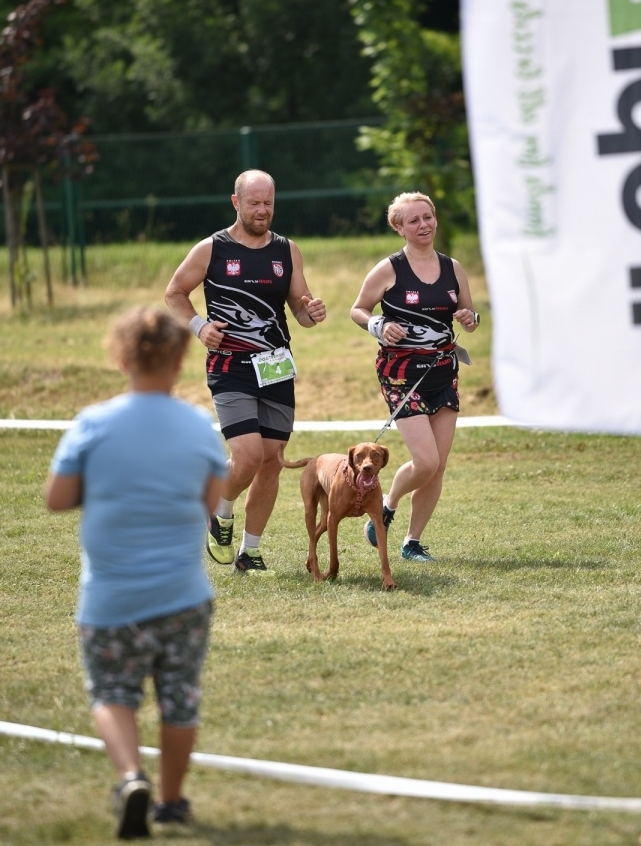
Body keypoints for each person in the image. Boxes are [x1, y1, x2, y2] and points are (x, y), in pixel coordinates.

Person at [44, 307, 228, 839]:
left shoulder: (93, 423)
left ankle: (130, 778)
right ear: (180, 361)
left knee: (112, 695)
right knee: (180, 699)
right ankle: (171, 802)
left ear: (121, 358)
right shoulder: (198, 426)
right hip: (183, 595)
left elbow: (57, 499)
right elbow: (213, 503)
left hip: (110, 599)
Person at [164, 168, 326, 574]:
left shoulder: (287, 250)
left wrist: (311, 312)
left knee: (272, 459)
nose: (262, 210)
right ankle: (220, 505)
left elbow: (299, 310)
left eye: (268, 202)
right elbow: (175, 292)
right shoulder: (212, 249)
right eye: (254, 203)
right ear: (236, 202)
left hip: (275, 365)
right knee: (249, 454)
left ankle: (249, 552)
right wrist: (200, 327)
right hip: (229, 365)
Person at [350, 191, 479, 562]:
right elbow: (358, 309)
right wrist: (380, 324)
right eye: (414, 221)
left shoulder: (453, 267)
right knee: (426, 461)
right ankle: (387, 506)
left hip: (443, 371)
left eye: (428, 217)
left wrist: (471, 319)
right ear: (399, 228)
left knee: (438, 464)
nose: (424, 225)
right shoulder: (389, 268)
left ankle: (411, 542)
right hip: (401, 374)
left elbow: (467, 313)